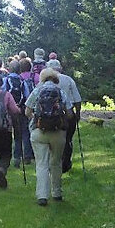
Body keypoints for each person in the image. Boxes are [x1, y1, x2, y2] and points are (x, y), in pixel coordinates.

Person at [24, 67, 73, 206]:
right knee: (56, 163)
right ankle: (57, 193)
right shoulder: (60, 92)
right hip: (58, 133)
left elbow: (27, 111)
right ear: (55, 79)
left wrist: (37, 119)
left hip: (39, 132)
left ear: (42, 79)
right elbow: (69, 113)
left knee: (41, 164)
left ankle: (42, 196)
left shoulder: (37, 90)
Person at [45, 59, 82, 173]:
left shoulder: (45, 82)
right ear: (60, 68)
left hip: (50, 115)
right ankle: (65, 163)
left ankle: (54, 162)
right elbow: (77, 99)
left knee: (52, 140)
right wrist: (78, 113)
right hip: (68, 115)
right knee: (67, 139)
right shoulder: (68, 80)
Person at [3, 60, 34, 167]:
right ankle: (26, 156)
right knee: (23, 133)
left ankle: (9, 157)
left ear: (9, 69)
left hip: (8, 110)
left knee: (7, 134)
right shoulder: (22, 81)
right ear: (19, 70)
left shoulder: (6, 80)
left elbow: (3, 94)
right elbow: (27, 96)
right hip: (20, 110)